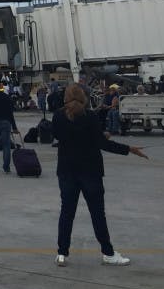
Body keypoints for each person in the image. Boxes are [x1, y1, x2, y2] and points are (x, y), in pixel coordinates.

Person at [52, 84, 148, 267]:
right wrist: (129, 149)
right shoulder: (90, 116)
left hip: (67, 170)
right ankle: (108, 253)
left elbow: (58, 136)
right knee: (97, 214)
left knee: (67, 213)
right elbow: (102, 144)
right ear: (84, 97)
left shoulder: (58, 115)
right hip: (90, 171)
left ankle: (62, 253)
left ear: (65, 97)